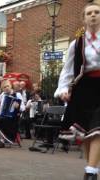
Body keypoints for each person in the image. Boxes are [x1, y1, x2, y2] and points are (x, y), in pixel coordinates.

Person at [54, 3, 100, 179]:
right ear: (84, 18)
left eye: (97, 12)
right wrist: (63, 88)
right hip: (84, 88)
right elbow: (67, 69)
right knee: (87, 132)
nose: (93, 15)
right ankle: (92, 168)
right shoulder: (77, 43)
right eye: (89, 13)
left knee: (98, 127)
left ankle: (90, 172)